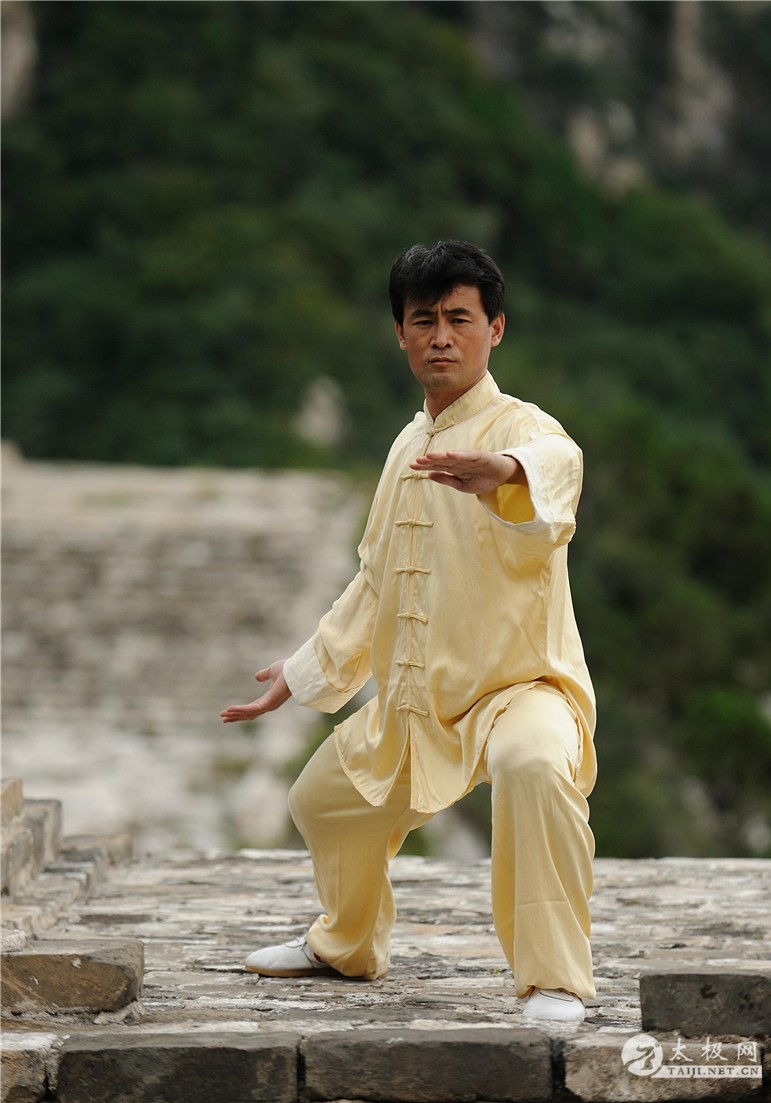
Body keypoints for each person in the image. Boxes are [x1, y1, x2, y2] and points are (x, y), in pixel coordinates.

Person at [221, 240, 597, 1023]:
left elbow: (558, 464)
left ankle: (554, 979)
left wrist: (506, 472)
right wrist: (302, 669)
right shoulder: (403, 447)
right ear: (400, 333)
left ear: (496, 329)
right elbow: (375, 579)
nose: (441, 337)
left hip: (519, 690)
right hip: (417, 702)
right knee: (321, 801)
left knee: (532, 763)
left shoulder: (524, 427)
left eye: (460, 319)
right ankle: (346, 945)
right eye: (424, 320)